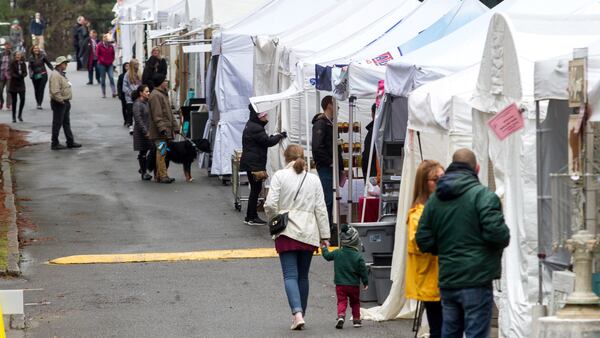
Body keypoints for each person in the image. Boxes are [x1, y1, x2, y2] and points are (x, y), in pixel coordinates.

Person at [416, 148, 510, 338]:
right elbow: (499, 235)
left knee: (450, 332)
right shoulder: (484, 196)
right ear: (477, 168)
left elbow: (423, 239)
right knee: (476, 333)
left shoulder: (435, 200)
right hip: (477, 278)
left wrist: (443, 248)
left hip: (448, 279)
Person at [264, 144, 330, 331]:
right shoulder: (313, 179)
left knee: (290, 275)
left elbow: (270, 204)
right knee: (303, 276)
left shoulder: (279, 176)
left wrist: (275, 218)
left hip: (286, 231)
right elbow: (321, 209)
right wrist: (325, 235)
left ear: (286, 158)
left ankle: (297, 313)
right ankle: (302, 313)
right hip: (309, 232)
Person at [406, 160, 445, 338]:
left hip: (444, 276)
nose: (441, 182)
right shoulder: (417, 213)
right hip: (430, 277)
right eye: (435, 179)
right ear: (424, 183)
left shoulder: (441, 206)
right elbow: (418, 244)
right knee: (438, 328)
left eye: (443, 178)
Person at [239, 104, 287, 225]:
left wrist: (275, 136)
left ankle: (250, 216)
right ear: (260, 117)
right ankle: (251, 217)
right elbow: (268, 142)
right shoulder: (256, 128)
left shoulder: (251, 125)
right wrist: (280, 136)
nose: (267, 118)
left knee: (255, 190)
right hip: (254, 164)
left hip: (251, 162)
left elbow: (262, 140)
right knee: (256, 190)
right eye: (265, 116)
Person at [321, 224, 368, 329]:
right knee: (355, 302)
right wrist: (365, 282)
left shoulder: (338, 253)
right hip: (354, 285)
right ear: (355, 241)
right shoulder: (358, 256)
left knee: (341, 301)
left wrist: (324, 248)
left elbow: (327, 256)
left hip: (340, 284)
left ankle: (341, 316)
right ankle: (356, 320)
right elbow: (363, 270)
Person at [311, 95, 344, 245]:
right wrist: (330, 162)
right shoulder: (321, 124)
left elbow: (337, 148)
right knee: (327, 200)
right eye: (335, 104)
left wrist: (341, 168)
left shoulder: (331, 123)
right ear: (329, 105)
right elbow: (317, 148)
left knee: (331, 200)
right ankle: (325, 233)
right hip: (326, 167)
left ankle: (329, 230)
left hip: (333, 167)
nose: (337, 107)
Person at [148, 73, 178, 183]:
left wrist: (175, 127)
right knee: (161, 153)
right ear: (160, 83)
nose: (166, 82)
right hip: (160, 132)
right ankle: (162, 175)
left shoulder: (162, 94)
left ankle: (161, 175)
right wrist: (163, 129)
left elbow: (169, 113)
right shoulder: (156, 95)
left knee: (162, 153)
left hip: (165, 130)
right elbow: (157, 115)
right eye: (165, 80)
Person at [49, 56, 81, 150]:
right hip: (59, 102)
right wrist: (61, 101)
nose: (66, 65)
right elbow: (55, 91)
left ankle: (70, 141)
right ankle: (54, 143)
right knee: (57, 123)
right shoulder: (56, 75)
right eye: (64, 63)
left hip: (64, 101)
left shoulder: (61, 74)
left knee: (66, 123)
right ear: (59, 64)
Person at [132, 85, 153, 181]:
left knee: (152, 149)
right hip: (141, 132)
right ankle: (144, 172)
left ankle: (143, 168)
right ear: (141, 93)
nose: (148, 93)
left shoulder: (147, 102)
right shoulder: (137, 104)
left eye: (149, 91)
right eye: (146, 91)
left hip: (148, 130)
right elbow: (138, 119)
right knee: (143, 151)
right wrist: (145, 131)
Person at [28, 44, 53, 109]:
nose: (36, 49)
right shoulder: (31, 58)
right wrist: (31, 74)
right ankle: (37, 102)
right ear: (32, 50)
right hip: (35, 75)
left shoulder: (43, 56)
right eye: (34, 48)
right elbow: (30, 67)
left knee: (41, 89)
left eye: (37, 48)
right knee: (36, 89)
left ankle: (39, 103)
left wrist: (54, 70)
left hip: (43, 74)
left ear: (39, 50)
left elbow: (48, 64)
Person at [123, 59, 142, 133]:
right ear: (132, 65)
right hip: (130, 96)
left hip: (138, 95)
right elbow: (124, 86)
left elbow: (141, 84)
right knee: (130, 111)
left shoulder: (139, 73)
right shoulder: (127, 74)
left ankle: (136, 125)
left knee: (137, 111)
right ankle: (130, 125)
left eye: (138, 64)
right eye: (135, 64)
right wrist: (130, 93)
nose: (137, 66)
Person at [8, 51, 27, 123]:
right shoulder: (12, 63)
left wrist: (23, 75)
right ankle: (13, 116)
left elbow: (25, 72)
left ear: (21, 56)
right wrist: (18, 76)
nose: (18, 56)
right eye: (17, 55)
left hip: (21, 84)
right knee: (14, 101)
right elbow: (11, 73)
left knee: (23, 99)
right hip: (14, 84)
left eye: (19, 55)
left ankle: (20, 114)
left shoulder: (23, 63)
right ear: (15, 56)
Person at [96, 34, 116, 98]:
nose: (107, 41)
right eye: (105, 39)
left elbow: (113, 54)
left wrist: (111, 60)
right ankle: (103, 93)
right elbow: (97, 55)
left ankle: (114, 92)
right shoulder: (99, 45)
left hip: (110, 64)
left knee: (111, 77)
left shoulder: (111, 46)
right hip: (102, 64)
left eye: (107, 39)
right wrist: (101, 60)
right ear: (103, 39)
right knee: (103, 79)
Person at [362, 103, 378, 180]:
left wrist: (365, 170)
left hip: (373, 172)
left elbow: (367, 154)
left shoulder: (373, 131)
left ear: (372, 113)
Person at [0, 42, 12, 111]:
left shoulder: (12, 54)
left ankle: (9, 104)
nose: (7, 46)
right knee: (0, 90)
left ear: (10, 46)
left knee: (8, 90)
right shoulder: (1, 54)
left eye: (8, 45)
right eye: (6, 45)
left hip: (9, 75)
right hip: (1, 75)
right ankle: (1, 102)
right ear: (4, 46)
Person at [117, 62, 129, 127]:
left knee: (129, 108)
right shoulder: (121, 76)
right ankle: (126, 120)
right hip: (123, 95)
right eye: (126, 66)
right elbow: (119, 86)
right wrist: (119, 94)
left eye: (129, 66)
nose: (128, 68)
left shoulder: (132, 75)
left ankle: (129, 120)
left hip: (130, 95)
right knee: (124, 108)